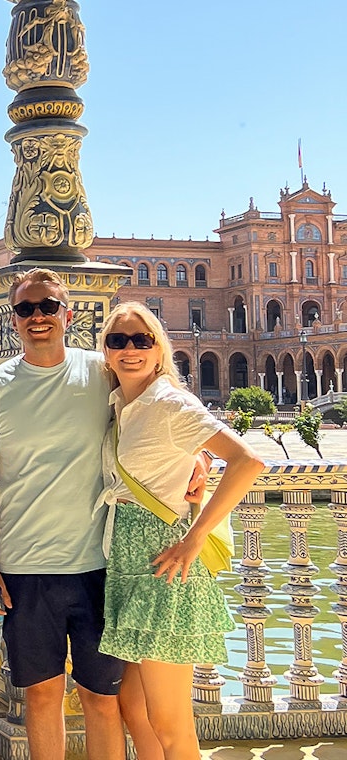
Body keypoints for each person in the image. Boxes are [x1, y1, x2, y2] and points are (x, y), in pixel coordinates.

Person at [0, 268, 127, 760]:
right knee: (41, 694)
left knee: (103, 699)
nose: (38, 317)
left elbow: (158, 414)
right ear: (14, 320)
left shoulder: (101, 373)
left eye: (48, 306)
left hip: (98, 564)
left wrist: (199, 458)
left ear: (67, 313)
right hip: (24, 569)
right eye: (26, 309)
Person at [97, 303, 262, 760]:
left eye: (142, 340)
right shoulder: (118, 405)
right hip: (129, 564)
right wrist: (199, 458)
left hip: (166, 567)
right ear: (106, 353)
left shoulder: (169, 402)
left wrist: (195, 537)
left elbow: (248, 462)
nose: (130, 349)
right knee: (133, 706)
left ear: (158, 349)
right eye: (118, 341)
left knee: (170, 722)